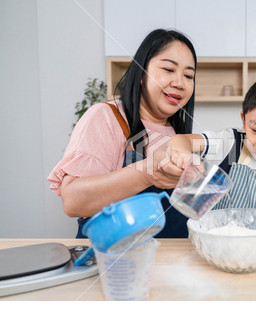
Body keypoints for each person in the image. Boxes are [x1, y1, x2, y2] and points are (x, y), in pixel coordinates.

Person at [48, 29, 197, 238]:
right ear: (141, 72)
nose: (179, 83)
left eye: (188, 75)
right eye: (168, 69)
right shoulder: (107, 117)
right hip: (116, 265)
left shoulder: (180, 136)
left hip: (170, 264)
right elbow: (73, 201)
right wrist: (148, 171)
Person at [168, 72, 256, 237]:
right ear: (244, 120)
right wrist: (184, 155)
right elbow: (180, 141)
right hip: (215, 245)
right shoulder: (230, 142)